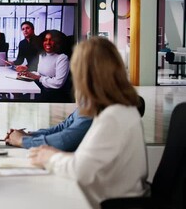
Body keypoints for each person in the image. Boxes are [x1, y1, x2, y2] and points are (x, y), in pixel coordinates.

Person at [29, 37, 149, 208]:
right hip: (110, 192)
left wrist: (50, 157)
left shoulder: (112, 117)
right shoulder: (118, 109)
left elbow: (80, 171)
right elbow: (88, 160)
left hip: (108, 200)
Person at [18, 30, 72, 102]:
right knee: (18, 94)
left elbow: (58, 83)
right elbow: (40, 74)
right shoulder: (42, 55)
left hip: (53, 96)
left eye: (51, 40)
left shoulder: (62, 58)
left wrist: (38, 77)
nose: (48, 42)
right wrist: (28, 74)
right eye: (45, 40)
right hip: (41, 90)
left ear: (58, 42)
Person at [5, 108, 93, 151]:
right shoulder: (86, 103)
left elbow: (66, 141)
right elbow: (63, 127)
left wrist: (22, 140)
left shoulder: (94, 106)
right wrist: (29, 135)